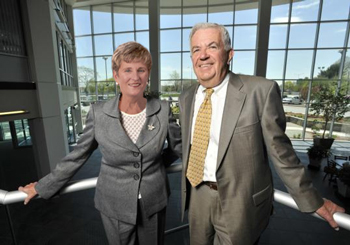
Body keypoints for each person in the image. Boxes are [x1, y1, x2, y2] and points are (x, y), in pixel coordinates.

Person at [179, 22, 345, 245]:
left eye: (212, 47)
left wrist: (312, 199)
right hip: (196, 195)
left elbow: (281, 153)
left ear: (229, 54)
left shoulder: (260, 91)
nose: (203, 56)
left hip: (240, 203)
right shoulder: (187, 97)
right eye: (196, 49)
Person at [19, 41, 181, 245]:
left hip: (154, 200)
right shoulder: (98, 113)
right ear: (116, 76)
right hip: (114, 203)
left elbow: (178, 147)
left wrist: (156, 164)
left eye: (141, 70)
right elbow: (77, 156)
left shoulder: (163, 110)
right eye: (127, 70)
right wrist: (42, 187)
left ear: (148, 74)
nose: (135, 76)